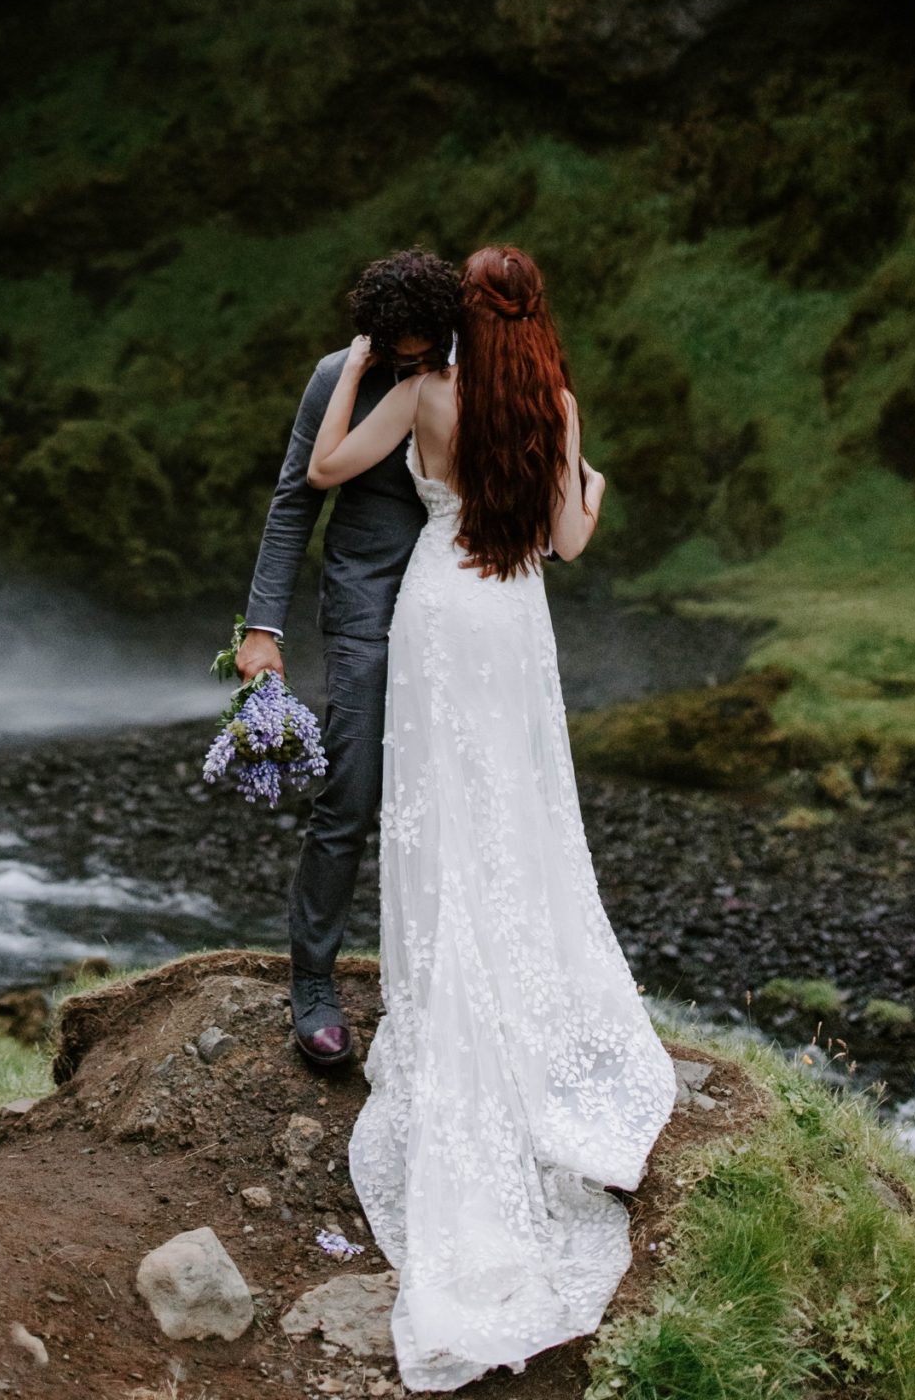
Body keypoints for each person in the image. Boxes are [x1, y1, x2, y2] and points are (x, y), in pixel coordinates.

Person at [304, 242, 675, 1391]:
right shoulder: (552, 401)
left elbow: (324, 471)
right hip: (512, 619)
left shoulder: (424, 390)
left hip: (435, 609)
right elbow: (566, 542)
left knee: (436, 817)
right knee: (516, 814)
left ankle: (442, 992)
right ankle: (526, 1000)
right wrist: (596, 488)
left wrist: (367, 357)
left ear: (464, 313)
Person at [237, 248, 463, 1068]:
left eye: (425, 347)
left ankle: (447, 989)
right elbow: (297, 497)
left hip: (460, 601)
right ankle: (313, 985)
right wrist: (263, 628)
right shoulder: (337, 373)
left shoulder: (481, 367)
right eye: (396, 350)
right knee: (351, 790)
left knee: (455, 793)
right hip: (365, 597)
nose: (415, 362)